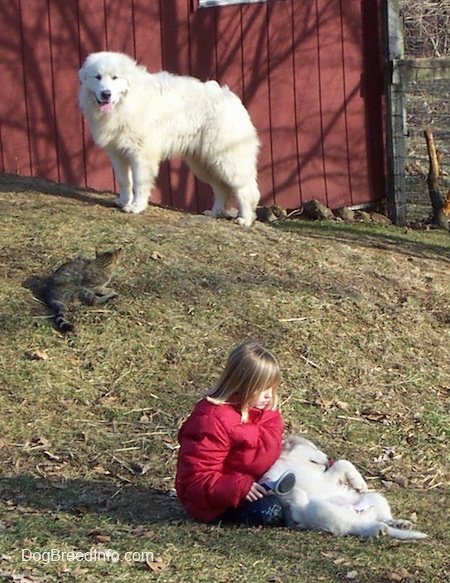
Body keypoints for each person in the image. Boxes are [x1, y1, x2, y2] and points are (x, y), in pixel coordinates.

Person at [175, 339, 287, 526]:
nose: (268, 395)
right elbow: (196, 479)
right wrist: (238, 487)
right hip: (219, 501)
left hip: (262, 484)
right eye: (261, 389)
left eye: (271, 388)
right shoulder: (212, 420)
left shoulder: (267, 413)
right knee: (270, 510)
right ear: (240, 385)